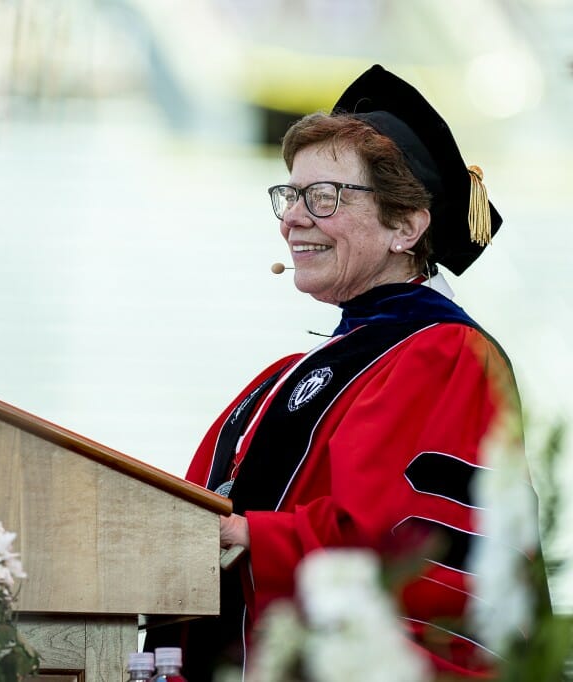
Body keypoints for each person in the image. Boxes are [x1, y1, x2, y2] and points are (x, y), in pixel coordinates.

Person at [148, 65, 540, 678]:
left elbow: (412, 549)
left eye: (324, 197)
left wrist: (252, 536)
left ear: (407, 228)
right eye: (290, 195)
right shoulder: (288, 375)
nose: (292, 219)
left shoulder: (445, 354)